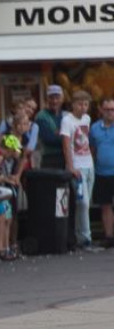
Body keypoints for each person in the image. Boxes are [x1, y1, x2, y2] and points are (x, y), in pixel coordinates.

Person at [61, 90, 95, 248]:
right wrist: (70, 165)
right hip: (77, 166)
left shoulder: (87, 119)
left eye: (86, 104)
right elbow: (66, 144)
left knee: (84, 202)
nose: (83, 108)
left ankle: (78, 235)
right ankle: (85, 238)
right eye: (80, 104)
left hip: (88, 163)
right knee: (83, 202)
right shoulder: (67, 120)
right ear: (73, 104)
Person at [90, 97, 114, 247]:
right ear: (101, 110)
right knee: (105, 205)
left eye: (113, 110)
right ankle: (109, 236)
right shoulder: (94, 128)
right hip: (101, 172)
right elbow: (92, 149)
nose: (111, 112)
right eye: (108, 109)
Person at [36, 85, 67, 169]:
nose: (54, 101)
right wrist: (65, 136)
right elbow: (48, 138)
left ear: (62, 99)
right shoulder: (41, 116)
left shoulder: (67, 115)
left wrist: (59, 133)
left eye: (57, 98)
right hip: (49, 158)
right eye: (51, 98)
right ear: (47, 99)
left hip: (67, 157)